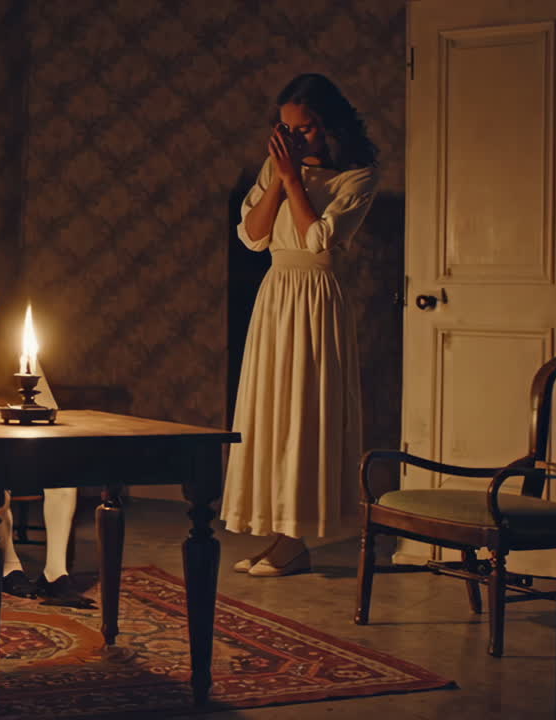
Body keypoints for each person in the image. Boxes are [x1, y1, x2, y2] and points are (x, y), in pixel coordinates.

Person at [221, 73, 379, 577]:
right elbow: (252, 234)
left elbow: (319, 240)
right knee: (270, 412)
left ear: (328, 126)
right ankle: (279, 536)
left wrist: (292, 179)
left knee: (302, 413)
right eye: (285, 130)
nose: (293, 140)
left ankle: (295, 538)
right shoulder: (276, 167)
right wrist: (278, 175)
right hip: (277, 294)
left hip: (314, 299)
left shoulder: (357, 176)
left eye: (305, 130)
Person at [0, 278, 89, 606]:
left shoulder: (18, 356)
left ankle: (56, 572)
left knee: (64, 480)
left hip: (21, 448)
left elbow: (49, 408)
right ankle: (11, 568)